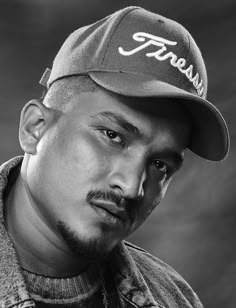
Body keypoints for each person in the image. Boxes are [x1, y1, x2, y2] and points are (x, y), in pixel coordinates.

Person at [0, 6, 229, 308]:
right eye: (113, 137)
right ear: (35, 128)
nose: (132, 186)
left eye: (160, 165)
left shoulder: (174, 299)